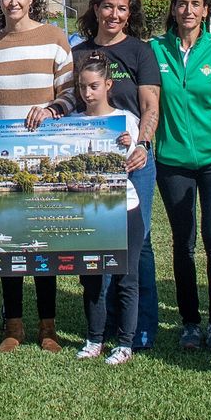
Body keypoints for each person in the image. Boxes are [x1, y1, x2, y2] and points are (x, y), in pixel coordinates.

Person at [36, 0, 162, 351]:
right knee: (95, 240)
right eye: (108, 7)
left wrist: (143, 144)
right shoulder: (77, 53)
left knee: (139, 245)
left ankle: (140, 327)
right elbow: (64, 101)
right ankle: (99, 328)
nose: (114, 15)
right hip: (91, 163)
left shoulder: (140, 51)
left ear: (129, 13)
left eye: (122, 9)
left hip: (134, 159)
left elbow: (150, 106)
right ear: (97, 8)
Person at [0, 0, 72, 353]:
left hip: (43, 157)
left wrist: (52, 109)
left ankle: (48, 327)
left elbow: (70, 94)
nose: (13, 2)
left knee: (42, 244)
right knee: (6, 243)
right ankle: (13, 325)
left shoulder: (55, 38)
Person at [150, 0, 211, 351]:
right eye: (182, 4)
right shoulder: (156, 50)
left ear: (206, 10)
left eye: (195, 4)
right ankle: (190, 321)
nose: (188, 11)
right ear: (173, 10)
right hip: (172, 161)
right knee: (182, 243)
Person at [70, 53, 145, 366]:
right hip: (91, 211)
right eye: (83, 87)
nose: (88, 93)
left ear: (108, 85)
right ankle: (94, 338)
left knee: (125, 277)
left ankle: (125, 342)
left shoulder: (127, 121)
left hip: (125, 208)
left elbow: (136, 156)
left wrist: (131, 143)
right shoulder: (73, 122)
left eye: (94, 86)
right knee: (92, 279)